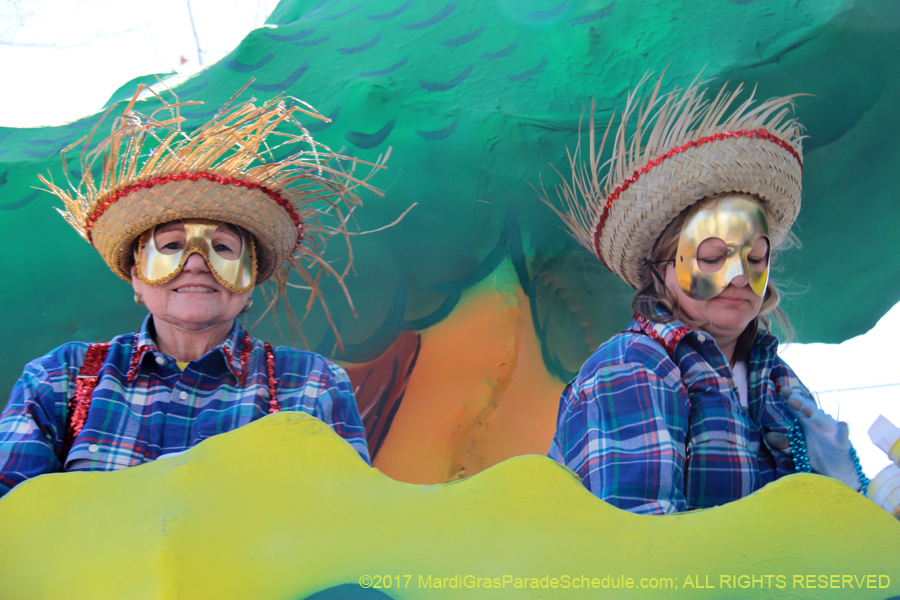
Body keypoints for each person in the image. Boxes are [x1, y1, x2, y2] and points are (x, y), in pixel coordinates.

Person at [0, 86, 388, 498]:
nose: (197, 262)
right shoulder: (61, 377)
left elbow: (342, 519)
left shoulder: (312, 384)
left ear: (250, 283)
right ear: (135, 279)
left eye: (222, 248)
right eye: (170, 247)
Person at [542, 74, 868, 515]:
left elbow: (831, 544)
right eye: (713, 256)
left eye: (755, 258)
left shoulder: (778, 381)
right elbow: (644, 549)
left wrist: (851, 493)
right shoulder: (633, 367)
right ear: (661, 267)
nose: (739, 277)